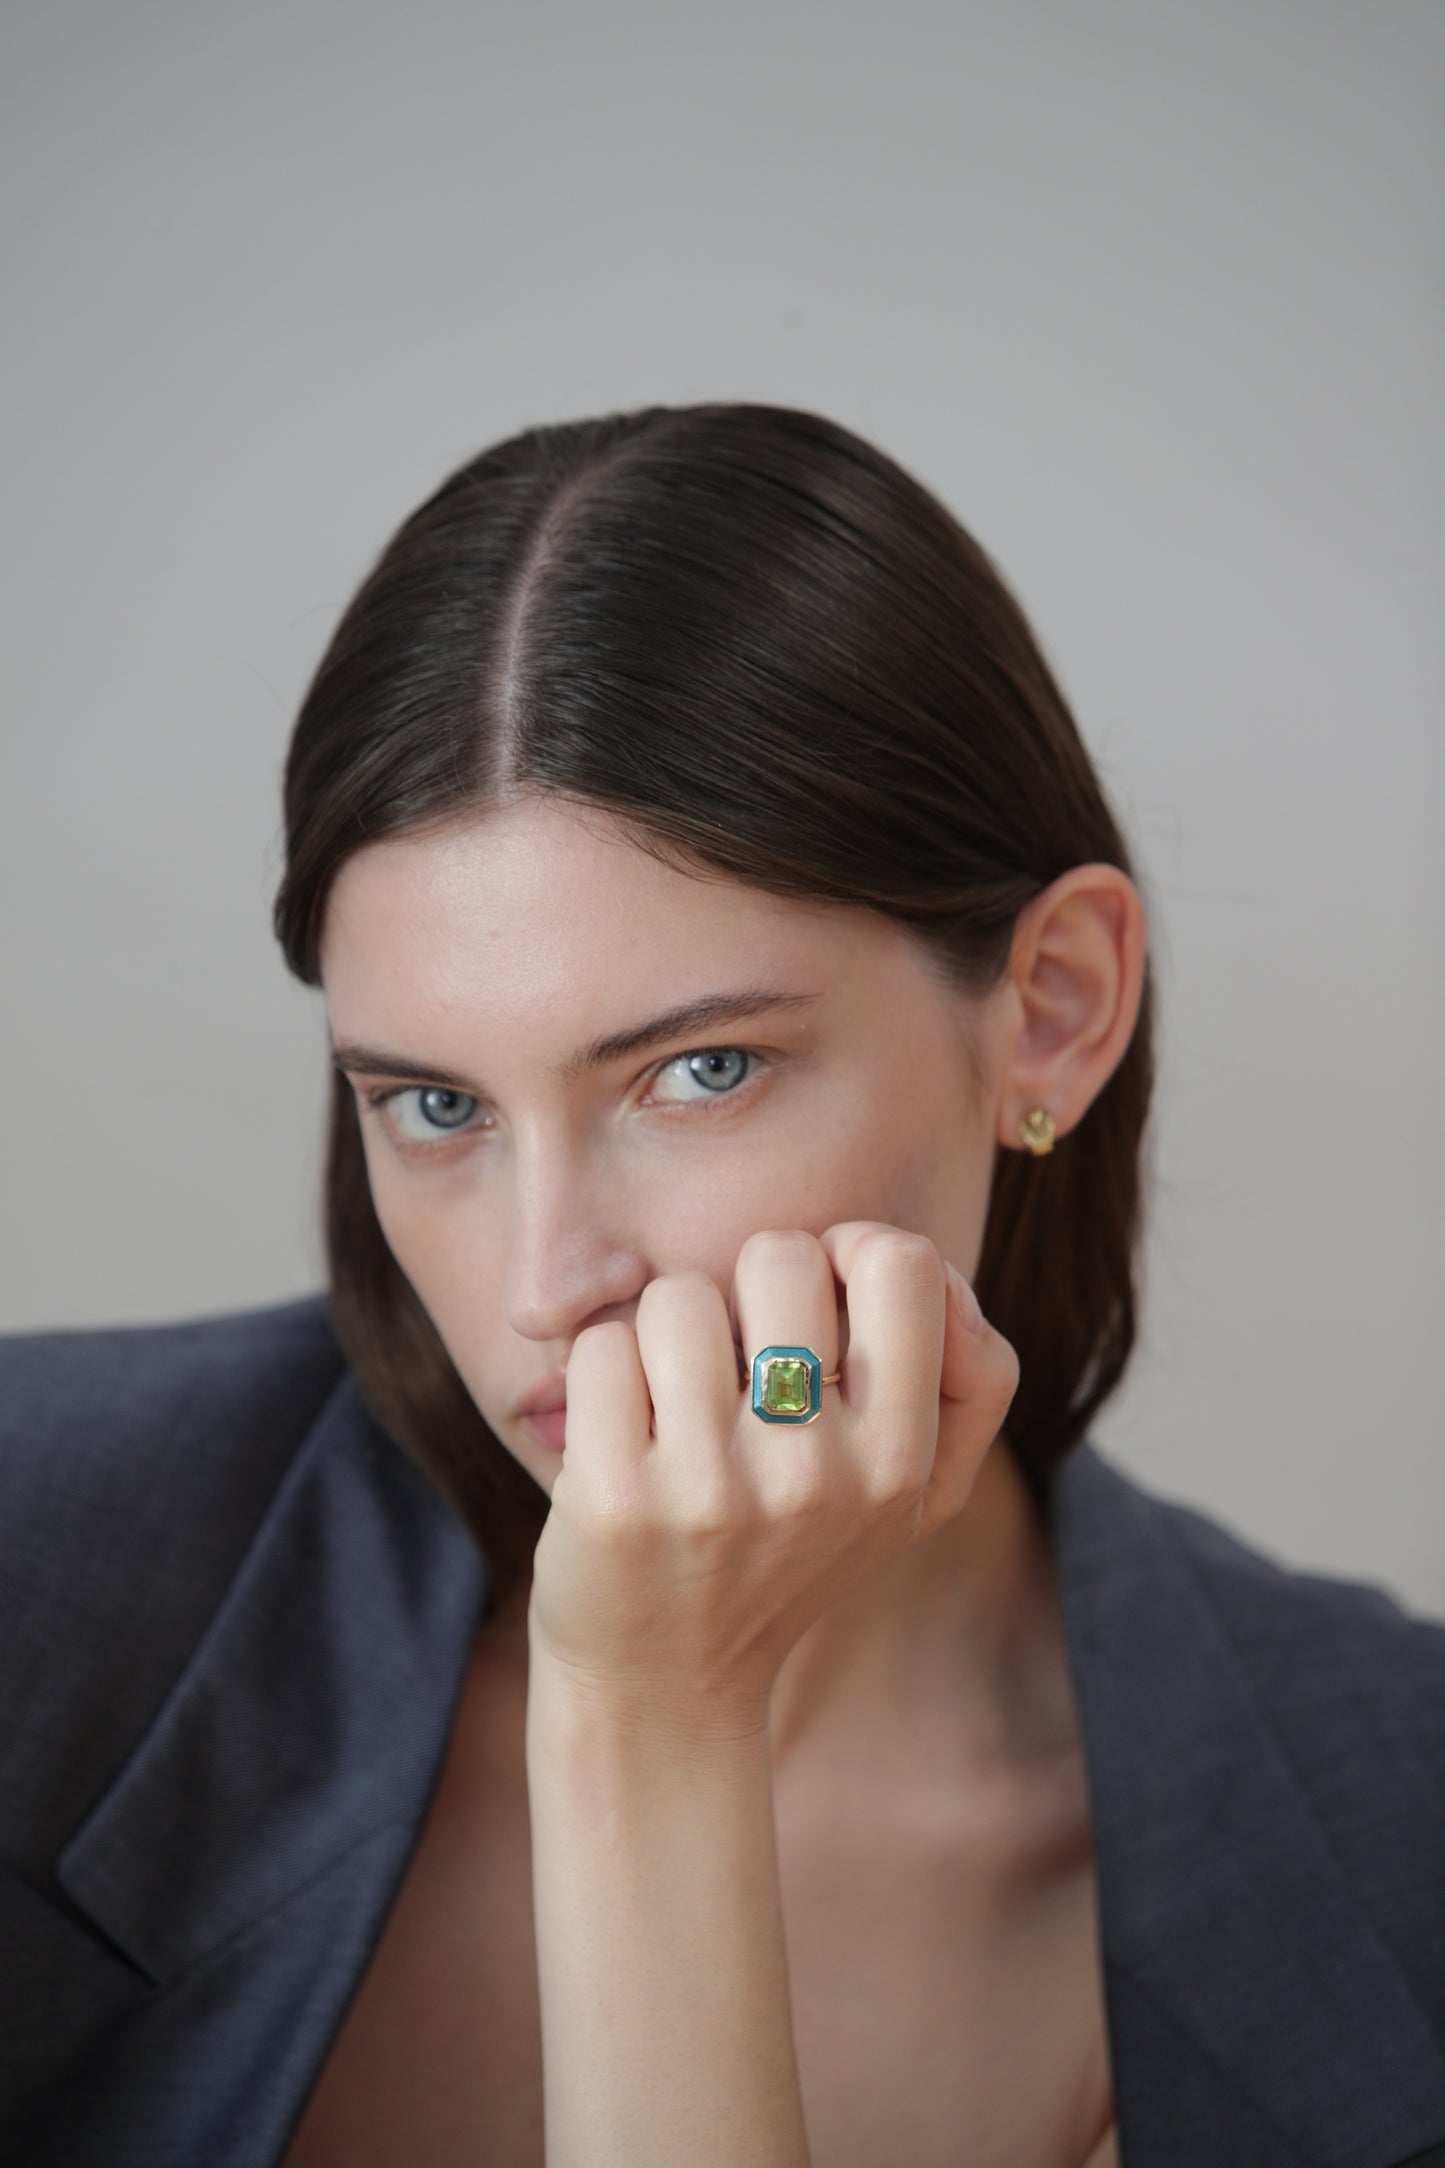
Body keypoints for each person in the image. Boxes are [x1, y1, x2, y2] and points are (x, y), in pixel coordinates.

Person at [3, 403, 1442, 2168]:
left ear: (1050, 1006)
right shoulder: (35, 1577)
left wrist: (652, 1719)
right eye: (435, 1106)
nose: (547, 1286)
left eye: (698, 1074)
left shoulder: (1397, 1824)